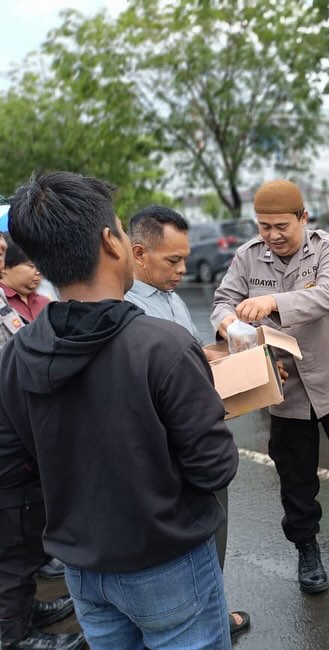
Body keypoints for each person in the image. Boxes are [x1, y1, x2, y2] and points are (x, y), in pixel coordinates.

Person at [0, 172, 239, 649]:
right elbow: (214, 466)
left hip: (82, 570)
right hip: (168, 563)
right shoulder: (161, 346)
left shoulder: (17, 352)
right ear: (112, 242)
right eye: (124, 232)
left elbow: (13, 466)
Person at [211, 179, 329, 595]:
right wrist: (230, 326)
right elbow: (221, 304)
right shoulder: (247, 259)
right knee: (295, 474)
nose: (273, 235)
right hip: (283, 388)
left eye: (282, 225)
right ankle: (307, 549)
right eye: (264, 227)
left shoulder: (328, 249)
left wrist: (272, 303)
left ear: (303, 217)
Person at [124, 205, 250, 640]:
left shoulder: (171, 297)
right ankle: (200, 618)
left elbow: (192, 358)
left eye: (184, 258)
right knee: (189, 538)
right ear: (138, 253)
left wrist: (240, 361)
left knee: (216, 527)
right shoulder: (128, 311)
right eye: (171, 261)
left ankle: (214, 606)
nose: (182, 269)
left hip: (204, 434)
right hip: (174, 449)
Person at [0, 228, 83, 650]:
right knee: (12, 546)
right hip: (8, 442)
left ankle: (25, 608)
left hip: (23, 438)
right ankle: (12, 637)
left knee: (25, 536)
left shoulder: (30, 304)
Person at [0, 240, 50, 324]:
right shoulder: (2, 301)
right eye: (31, 266)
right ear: (4, 267)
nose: (38, 272)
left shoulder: (45, 302)